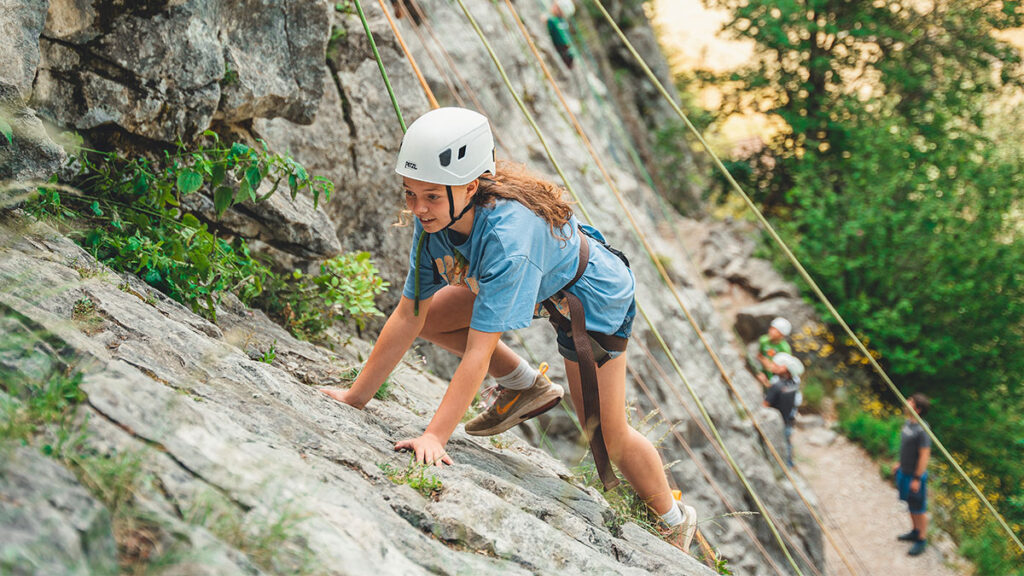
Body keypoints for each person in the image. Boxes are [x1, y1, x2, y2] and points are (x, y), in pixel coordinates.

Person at [320, 107, 698, 552]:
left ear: (470, 187)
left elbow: (479, 352)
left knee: (605, 432)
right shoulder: (435, 226)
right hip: (544, 285)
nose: (418, 209)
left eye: (431, 197)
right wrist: (355, 397)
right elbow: (409, 315)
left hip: (592, 301)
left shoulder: (507, 240)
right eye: (409, 194)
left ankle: (673, 520)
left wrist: (434, 436)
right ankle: (524, 385)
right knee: (434, 317)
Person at [895, 393, 932, 557]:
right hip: (904, 471)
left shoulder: (922, 430)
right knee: (910, 504)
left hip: (914, 476)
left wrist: (917, 478)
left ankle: (922, 539)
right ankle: (915, 531)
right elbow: (906, 448)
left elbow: (924, 455)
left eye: (910, 401)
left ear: (917, 409)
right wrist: (900, 463)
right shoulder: (908, 423)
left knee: (919, 508)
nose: (906, 402)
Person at [761, 352, 803, 467]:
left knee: (779, 444)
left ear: (783, 367)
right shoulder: (794, 383)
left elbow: (765, 404)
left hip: (777, 422)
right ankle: (789, 463)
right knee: (787, 442)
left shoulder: (777, 386)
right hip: (788, 419)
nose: (772, 366)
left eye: (775, 365)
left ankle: (785, 465)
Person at [755, 317, 792, 387]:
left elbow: (785, 369)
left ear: (782, 335)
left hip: (774, 378)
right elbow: (759, 355)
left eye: (775, 330)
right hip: (762, 372)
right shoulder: (764, 340)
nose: (771, 331)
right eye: (771, 328)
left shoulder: (784, 349)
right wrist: (763, 362)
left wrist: (771, 366)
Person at [547, 0, 577, 69]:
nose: (552, 6)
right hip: (566, 52)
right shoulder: (564, 23)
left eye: (555, 5)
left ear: (559, 10)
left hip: (562, 51)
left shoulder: (552, 21)